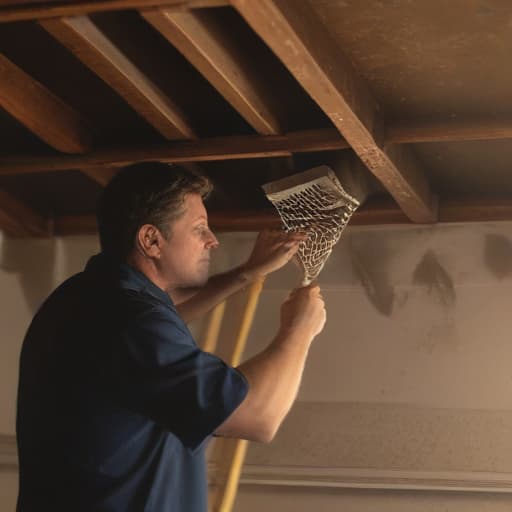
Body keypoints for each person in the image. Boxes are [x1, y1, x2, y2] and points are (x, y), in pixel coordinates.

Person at [16, 162, 326, 512]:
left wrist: (247, 273)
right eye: (199, 229)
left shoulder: (90, 298)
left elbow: (161, 322)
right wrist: (299, 329)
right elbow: (258, 416)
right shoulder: (131, 322)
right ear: (151, 240)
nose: (212, 241)